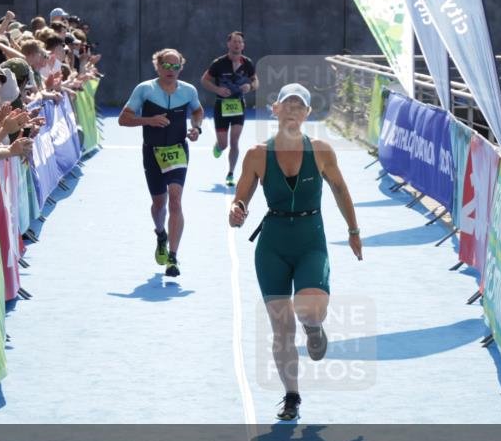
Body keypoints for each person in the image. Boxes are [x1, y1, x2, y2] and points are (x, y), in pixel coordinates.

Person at [228, 83, 362, 420]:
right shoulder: (257, 154)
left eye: (298, 106)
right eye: (286, 105)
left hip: (309, 240)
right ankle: (292, 396)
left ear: (307, 114)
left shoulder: (321, 151)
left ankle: (314, 328)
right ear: (274, 110)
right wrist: (237, 209)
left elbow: (341, 190)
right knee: (281, 328)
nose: (292, 110)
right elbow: (241, 196)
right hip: (272, 245)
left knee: (309, 309)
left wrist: (354, 231)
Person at [118, 48, 203, 277]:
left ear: (181, 68)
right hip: (152, 153)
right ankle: (160, 233)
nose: (171, 70)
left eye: (176, 66)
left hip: (177, 151)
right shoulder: (145, 89)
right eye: (167, 65)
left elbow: (197, 111)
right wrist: (149, 120)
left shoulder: (188, 90)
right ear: (158, 66)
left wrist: (196, 128)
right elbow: (123, 119)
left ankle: (173, 258)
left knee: (175, 201)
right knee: (159, 205)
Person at [201, 31, 258, 187]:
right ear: (228, 44)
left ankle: (231, 173)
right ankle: (218, 145)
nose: (237, 44)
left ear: (243, 45)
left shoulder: (247, 63)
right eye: (234, 41)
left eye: (239, 42)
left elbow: (255, 81)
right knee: (224, 144)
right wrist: (217, 90)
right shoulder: (218, 63)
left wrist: (250, 86)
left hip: (238, 105)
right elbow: (204, 80)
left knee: (234, 141)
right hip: (221, 106)